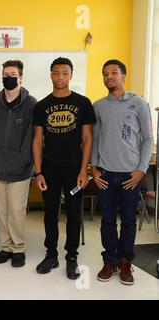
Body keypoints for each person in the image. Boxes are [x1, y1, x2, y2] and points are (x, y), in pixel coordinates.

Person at [32, 57, 96, 279]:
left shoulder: (83, 103)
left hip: (73, 171)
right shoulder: (41, 106)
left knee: (74, 214)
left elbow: (88, 138)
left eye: (65, 73)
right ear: (51, 75)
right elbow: (37, 140)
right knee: (50, 213)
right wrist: (38, 171)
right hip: (49, 171)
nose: (60, 77)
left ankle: (71, 256)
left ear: (71, 75)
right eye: (56, 73)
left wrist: (83, 170)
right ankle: (51, 254)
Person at [91, 59, 153, 285]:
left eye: (113, 73)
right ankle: (110, 261)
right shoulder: (98, 106)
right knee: (107, 220)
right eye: (105, 73)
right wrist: (94, 169)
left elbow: (147, 139)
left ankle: (126, 262)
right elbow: (95, 139)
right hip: (106, 174)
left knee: (128, 220)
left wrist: (141, 170)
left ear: (123, 76)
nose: (109, 77)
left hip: (130, 176)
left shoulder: (140, 104)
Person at [0, 60, 37, 267]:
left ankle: (18, 248)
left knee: (16, 211)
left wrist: (24, 161)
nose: (9, 77)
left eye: (13, 74)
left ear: (21, 77)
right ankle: (5, 247)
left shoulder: (32, 104)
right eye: (5, 73)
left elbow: (33, 137)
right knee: (3, 211)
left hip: (20, 169)